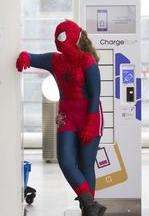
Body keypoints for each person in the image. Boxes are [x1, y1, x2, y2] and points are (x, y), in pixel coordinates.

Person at [16, 20, 106, 216]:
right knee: (65, 160)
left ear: (73, 37)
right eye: (56, 37)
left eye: (62, 36)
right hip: (67, 116)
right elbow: (33, 58)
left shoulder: (88, 61)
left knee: (85, 164)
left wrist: (90, 123)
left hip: (89, 115)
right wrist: (24, 56)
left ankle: (87, 211)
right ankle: (91, 205)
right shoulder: (55, 60)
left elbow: (95, 94)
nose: (58, 41)